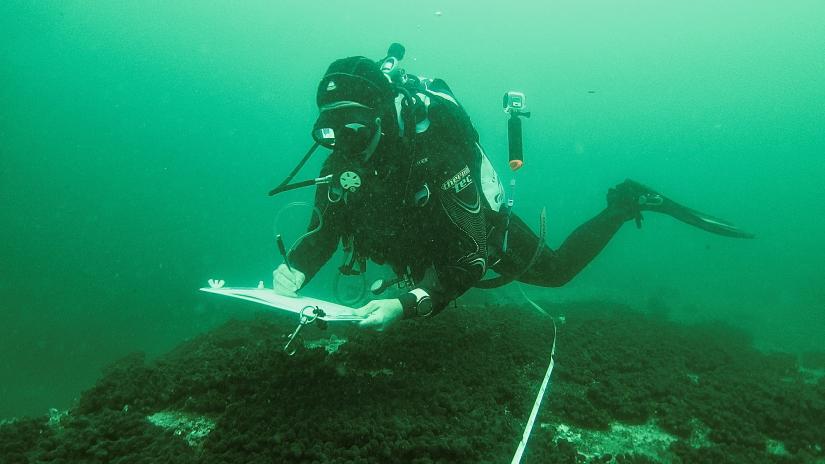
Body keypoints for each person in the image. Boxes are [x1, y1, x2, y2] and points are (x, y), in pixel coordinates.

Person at [272, 50, 752, 331]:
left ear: (379, 117)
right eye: (330, 134)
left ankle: (625, 202)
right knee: (416, 269)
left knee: (556, 271)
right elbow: (325, 226)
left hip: (474, 229)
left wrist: (408, 303)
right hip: (420, 241)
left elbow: (470, 255)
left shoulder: (436, 150)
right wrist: (297, 266)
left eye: (354, 131)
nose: (344, 147)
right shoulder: (342, 162)